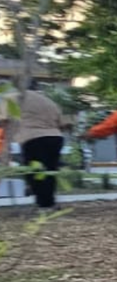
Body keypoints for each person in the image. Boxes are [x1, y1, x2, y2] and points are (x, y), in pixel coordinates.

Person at [2, 83, 69, 211]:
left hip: (33, 137)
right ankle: (49, 203)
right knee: (49, 172)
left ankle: (44, 204)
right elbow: (63, 123)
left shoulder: (12, 97)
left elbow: (4, 120)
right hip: (55, 138)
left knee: (35, 172)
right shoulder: (48, 101)